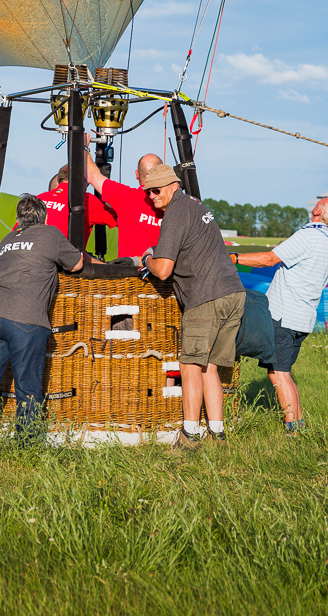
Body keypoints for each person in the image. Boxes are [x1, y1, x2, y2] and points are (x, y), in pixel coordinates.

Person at [136, 164, 245, 449]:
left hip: (205, 296)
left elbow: (162, 270)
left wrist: (146, 258)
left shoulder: (176, 213)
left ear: (173, 185)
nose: (152, 196)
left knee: (190, 365)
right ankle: (218, 434)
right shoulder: (197, 206)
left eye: (156, 190)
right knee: (210, 366)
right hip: (232, 293)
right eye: (148, 191)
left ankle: (189, 435)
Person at [0, 194, 83, 438]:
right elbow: (77, 264)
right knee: (28, 387)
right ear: (45, 217)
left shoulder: (7, 239)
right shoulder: (50, 234)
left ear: (18, 220)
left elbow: (0, 263)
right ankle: (27, 446)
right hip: (25, 319)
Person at [235, 196, 328, 435]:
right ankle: (300, 422)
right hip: (304, 318)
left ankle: (292, 429)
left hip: (285, 316)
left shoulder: (308, 236)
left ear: (318, 210)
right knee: (284, 372)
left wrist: (232, 258)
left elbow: (269, 259)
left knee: (278, 374)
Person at [84, 151, 164, 258]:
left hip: (131, 272)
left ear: (137, 174)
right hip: (163, 271)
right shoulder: (174, 204)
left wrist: (85, 147)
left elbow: (93, 176)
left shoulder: (126, 197)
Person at [37, 164, 116, 248]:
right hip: (65, 258)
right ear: (82, 179)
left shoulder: (38, 198)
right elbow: (122, 218)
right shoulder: (86, 199)